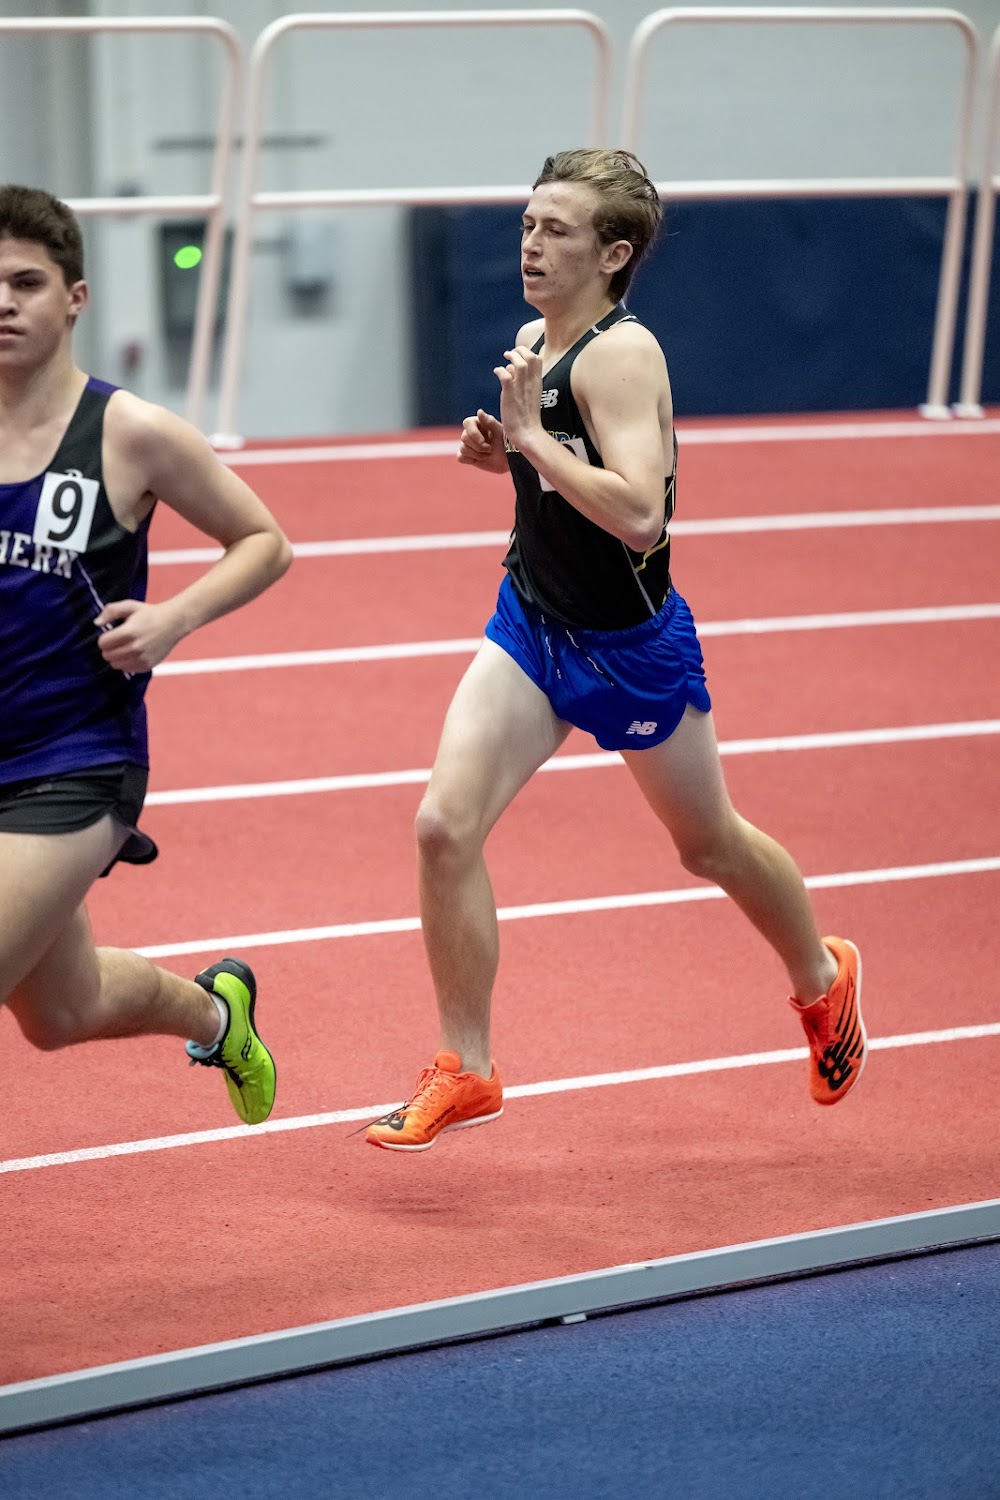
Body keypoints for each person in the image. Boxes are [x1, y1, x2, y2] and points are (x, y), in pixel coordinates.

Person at [366, 149, 866, 1152]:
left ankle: (823, 977)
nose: (529, 244)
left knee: (707, 844)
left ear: (614, 254)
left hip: (629, 648)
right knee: (442, 829)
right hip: (531, 625)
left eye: (556, 230)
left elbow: (640, 515)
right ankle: (467, 1067)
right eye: (526, 224)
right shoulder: (534, 339)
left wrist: (531, 441)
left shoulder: (621, 355)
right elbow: (562, 480)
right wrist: (507, 454)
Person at [0, 184, 293, 1126]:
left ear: (74, 298)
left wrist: (172, 619)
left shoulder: (131, 433)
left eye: (26, 283)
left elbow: (263, 541)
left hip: (72, 760)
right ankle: (217, 1014)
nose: (4, 303)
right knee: (61, 1012)